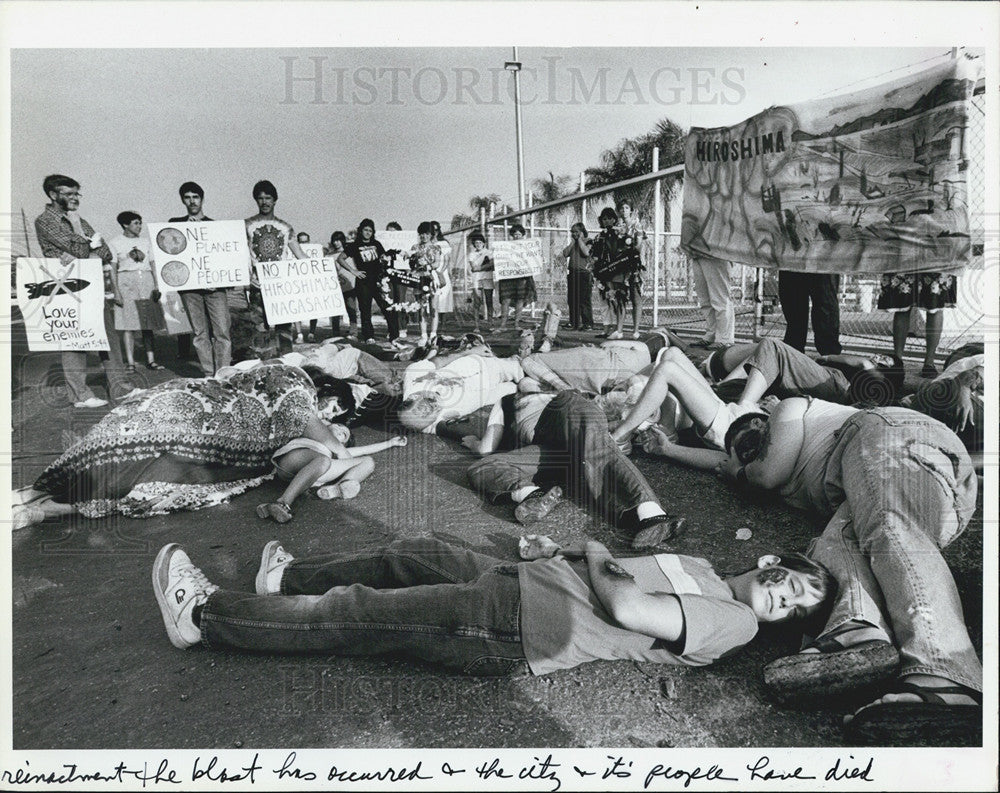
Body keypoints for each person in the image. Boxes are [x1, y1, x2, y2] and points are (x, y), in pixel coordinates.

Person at [645, 400, 982, 744]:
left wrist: (738, 470)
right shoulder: (776, 465)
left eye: (757, 436)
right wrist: (669, 449)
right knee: (836, 542)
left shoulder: (789, 409)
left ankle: (946, 674)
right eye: (743, 452)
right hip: (924, 494)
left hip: (890, 432)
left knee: (889, 525)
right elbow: (730, 464)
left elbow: (764, 474)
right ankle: (858, 629)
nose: (755, 448)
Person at [152, 536, 835, 678]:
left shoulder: (736, 621)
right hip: (528, 579)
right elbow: (622, 571)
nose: (785, 601)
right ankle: (287, 577)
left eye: (797, 608)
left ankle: (208, 617)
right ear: (774, 563)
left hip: (518, 623)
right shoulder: (706, 568)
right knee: (418, 551)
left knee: (356, 611)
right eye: (794, 583)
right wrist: (567, 550)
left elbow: (626, 604)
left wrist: (593, 551)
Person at [12, 364, 322, 529]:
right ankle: (37, 501)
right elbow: (335, 449)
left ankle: (36, 498)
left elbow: (226, 375)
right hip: (199, 415)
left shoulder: (272, 374)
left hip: (187, 400)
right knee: (141, 474)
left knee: (132, 465)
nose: (332, 416)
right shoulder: (300, 392)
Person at [464, 388, 683, 548]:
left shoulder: (518, 400)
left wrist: (474, 441)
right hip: (553, 450)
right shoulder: (507, 401)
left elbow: (485, 447)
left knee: (582, 423)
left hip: (568, 423)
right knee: (483, 467)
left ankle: (651, 516)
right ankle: (533, 495)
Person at [610, 340, 902, 455]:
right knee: (671, 355)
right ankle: (671, 432)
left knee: (667, 370)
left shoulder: (835, 411)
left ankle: (619, 438)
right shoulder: (824, 403)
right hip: (733, 416)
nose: (872, 360)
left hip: (736, 424)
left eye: (879, 362)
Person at [33, 173, 133, 407]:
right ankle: (80, 395)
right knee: (75, 339)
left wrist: (86, 251)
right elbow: (79, 249)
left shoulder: (78, 219)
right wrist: (89, 247)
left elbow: (106, 252)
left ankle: (120, 388)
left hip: (92, 284)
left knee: (108, 336)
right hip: (66, 287)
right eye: (69, 194)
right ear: (53, 195)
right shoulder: (45, 221)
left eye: (77, 193)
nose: (75, 198)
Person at [255, 422, 407, 523]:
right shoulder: (315, 432)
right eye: (340, 426)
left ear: (342, 444)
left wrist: (391, 442)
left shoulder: (338, 450)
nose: (340, 430)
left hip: (312, 473)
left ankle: (339, 487)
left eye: (343, 435)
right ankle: (283, 502)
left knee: (368, 461)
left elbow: (366, 449)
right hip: (292, 460)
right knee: (323, 461)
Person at [170, 181, 232, 376]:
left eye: (195, 197)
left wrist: (221, 280)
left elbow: (224, 257)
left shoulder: (214, 226)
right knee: (199, 333)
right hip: (190, 289)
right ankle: (207, 372)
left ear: (202, 199)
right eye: (187, 198)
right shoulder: (175, 225)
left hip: (215, 289)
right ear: (182, 200)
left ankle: (222, 373)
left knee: (222, 331)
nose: (192, 201)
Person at [244, 180, 309, 355]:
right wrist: (247, 277)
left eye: (268, 198)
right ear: (256, 200)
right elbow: (240, 256)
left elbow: (300, 255)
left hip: (281, 286)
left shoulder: (286, 227)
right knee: (259, 328)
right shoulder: (246, 225)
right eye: (260, 198)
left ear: (275, 200)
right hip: (258, 286)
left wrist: (323, 269)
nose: (264, 202)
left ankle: (287, 364)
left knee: (285, 329)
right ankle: (263, 366)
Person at [108, 211, 163, 372]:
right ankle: (130, 362)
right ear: (126, 224)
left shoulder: (146, 242)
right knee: (128, 324)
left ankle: (151, 360)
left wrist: (157, 285)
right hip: (126, 282)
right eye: (136, 223)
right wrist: (116, 291)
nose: (139, 226)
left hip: (146, 280)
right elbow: (112, 269)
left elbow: (153, 263)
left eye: (140, 223)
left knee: (147, 324)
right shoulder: (115, 243)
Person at [877, 270, 958, 377]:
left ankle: (898, 363)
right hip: (934, 256)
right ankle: (928, 364)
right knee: (933, 305)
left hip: (913, 257)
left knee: (906, 305)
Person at [337, 218, 399, 342]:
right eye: (365, 230)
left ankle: (394, 335)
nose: (368, 233)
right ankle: (369, 336)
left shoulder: (376, 244)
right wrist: (354, 271)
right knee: (365, 310)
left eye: (370, 231)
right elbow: (340, 258)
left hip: (378, 280)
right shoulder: (355, 245)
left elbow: (384, 257)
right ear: (361, 230)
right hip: (363, 281)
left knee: (386, 307)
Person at [591, 207, 643, 340]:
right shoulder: (600, 236)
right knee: (613, 298)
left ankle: (630, 330)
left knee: (627, 298)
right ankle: (616, 328)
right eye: (604, 219)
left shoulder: (623, 232)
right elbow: (596, 254)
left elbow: (633, 247)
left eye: (610, 218)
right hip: (607, 271)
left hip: (624, 268)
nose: (607, 221)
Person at [777, 271, 842, 355]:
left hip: (821, 263)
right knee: (795, 312)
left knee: (825, 304)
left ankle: (829, 356)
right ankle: (793, 357)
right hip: (792, 263)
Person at [407, 221, 445, 346]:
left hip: (432, 279)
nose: (424, 236)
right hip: (419, 279)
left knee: (434, 308)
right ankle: (423, 335)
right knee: (421, 308)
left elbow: (437, 263)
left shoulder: (436, 248)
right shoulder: (415, 248)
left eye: (427, 234)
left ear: (431, 234)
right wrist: (414, 264)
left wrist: (427, 265)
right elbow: (411, 264)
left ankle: (433, 334)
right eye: (421, 234)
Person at [496, 224, 537, 333]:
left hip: (522, 277)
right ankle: (503, 325)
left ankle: (516, 324)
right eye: (515, 234)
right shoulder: (505, 247)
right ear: (512, 235)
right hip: (508, 277)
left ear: (523, 235)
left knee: (520, 300)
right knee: (505, 300)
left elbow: (533, 260)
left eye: (519, 234)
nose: (517, 236)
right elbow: (500, 260)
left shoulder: (528, 248)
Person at [616, 200, 647, 339]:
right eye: (621, 208)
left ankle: (635, 330)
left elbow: (639, 245)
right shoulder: (618, 227)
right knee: (620, 297)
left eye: (626, 208)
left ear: (631, 210)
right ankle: (619, 330)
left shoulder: (636, 225)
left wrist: (628, 249)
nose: (624, 211)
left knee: (635, 297)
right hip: (620, 265)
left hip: (634, 264)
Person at [689, 254, 734, 351]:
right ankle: (711, 335)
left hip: (715, 252)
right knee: (705, 299)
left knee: (720, 299)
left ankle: (724, 339)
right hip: (698, 252)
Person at [326, 231, 359, 338]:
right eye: (334, 241)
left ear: (342, 241)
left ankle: (353, 331)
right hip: (335, 286)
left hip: (350, 285)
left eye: (338, 240)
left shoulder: (349, 253)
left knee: (351, 308)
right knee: (335, 310)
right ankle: (335, 332)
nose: (336, 243)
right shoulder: (328, 255)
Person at [563, 222, 594, 330]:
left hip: (583, 274)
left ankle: (587, 323)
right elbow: (565, 253)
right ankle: (574, 322)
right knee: (572, 299)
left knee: (584, 300)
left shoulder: (588, 241)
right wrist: (572, 243)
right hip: (573, 274)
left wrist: (580, 240)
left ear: (582, 232)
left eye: (576, 232)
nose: (574, 234)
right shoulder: (573, 244)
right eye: (572, 232)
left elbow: (586, 252)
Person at [468, 231, 495, 330]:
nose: (478, 244)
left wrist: (479, 268)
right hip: (476, 279)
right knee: (477, 302)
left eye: (480, 242)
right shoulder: (471, 254)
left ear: (484, 243)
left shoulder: (489, 252)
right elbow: (473, 267)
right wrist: (486, 266)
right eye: (476, 243)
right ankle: (476, 326)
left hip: (487, 278)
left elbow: (492, 264)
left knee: (489, 301)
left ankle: (490, 324)